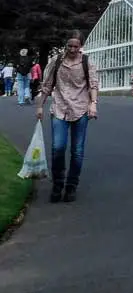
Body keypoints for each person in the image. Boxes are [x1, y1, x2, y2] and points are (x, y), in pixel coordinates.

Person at [35, 32, 99, 203]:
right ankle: (57, 185)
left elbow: (93, 84)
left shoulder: (87, 62)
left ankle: (71, 186)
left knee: (77, 151)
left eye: (75, 46)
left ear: (81, 47)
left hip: (80, 109)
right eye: (69, 46)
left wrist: (93, 103)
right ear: (65, 45)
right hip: (59, 109)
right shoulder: (56, 61)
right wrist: (40, 105)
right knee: (58, 148)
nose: (72, 49)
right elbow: (47, 85)